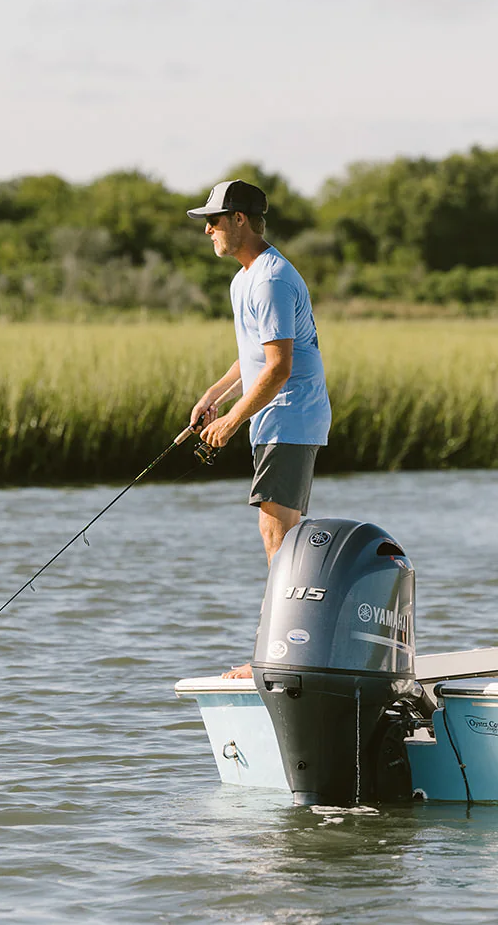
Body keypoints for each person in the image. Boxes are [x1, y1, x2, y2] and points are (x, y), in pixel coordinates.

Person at [185, 179, 331, 679]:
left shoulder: (271, 278)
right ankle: (293, 649)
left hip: (289, 415)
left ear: (240, 220)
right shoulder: (244, 279)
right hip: (275, 418)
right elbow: (253, 353)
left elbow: (279, 367)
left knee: (277, 534)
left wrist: (231, 420)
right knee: (280, 536)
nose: (207, 230)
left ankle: (281, 655)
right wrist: (214, 396)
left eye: (215, 220)